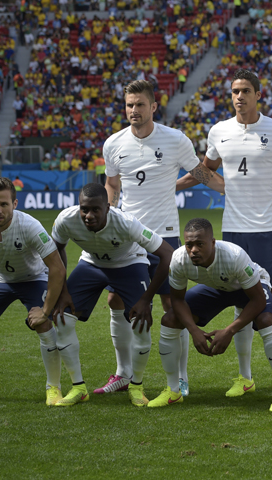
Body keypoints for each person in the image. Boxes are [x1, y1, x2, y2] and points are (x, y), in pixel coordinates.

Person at [177, 69, 272, 399]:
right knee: (241, 300)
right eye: (235, 91)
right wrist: (175, 185)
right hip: (233, 230)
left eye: (245, 91)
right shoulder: (219, 131)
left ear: (257, 95)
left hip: (267, 229)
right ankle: (245, 377)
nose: (239, 96)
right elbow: (206, 169)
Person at [102, 80, 223, 397]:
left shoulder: (175, 139)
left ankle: (180, 378)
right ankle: (123, 373)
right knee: (116, 300)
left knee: (172, 304)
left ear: (153, 107)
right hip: (127, 236)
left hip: (165, 237)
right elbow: (112, 183)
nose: (134, 110)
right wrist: (110, 211)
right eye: (129, 104)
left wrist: (230, 188)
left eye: (140, 104)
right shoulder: (113, 144)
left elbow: (200, 172)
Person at [50, 183, 174, 406]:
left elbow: (167, 254)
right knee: (62, 318)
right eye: (84, 209)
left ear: (107, 207)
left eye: (95, 209)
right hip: (91, 264)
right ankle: (78, 388)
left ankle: (136, 386)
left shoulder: (126, 222)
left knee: (141, 323)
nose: (89, 215)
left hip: (129, 263)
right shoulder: (66, 219)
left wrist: (146, 299)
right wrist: (63, 291)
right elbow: (56, 250)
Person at [150, 218, 272, 412]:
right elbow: (177, 300)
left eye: (200, 244)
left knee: (265, 320)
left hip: (249, 288)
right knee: (169, 320)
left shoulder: (234, 255)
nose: (193, 250)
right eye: (189, 245)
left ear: (213, 243)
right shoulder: (178, 258)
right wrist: (194, 331)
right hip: (216, 287)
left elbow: (257, 300)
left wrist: (229, 331)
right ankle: (173, 391)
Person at [0, 177, 66, 404]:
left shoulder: (30, 226)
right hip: (0, 279)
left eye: (4, 204)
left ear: (15, 204)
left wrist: (45, 310)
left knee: (43, 323)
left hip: (34, 277)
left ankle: (53, 388)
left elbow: (57, 268)